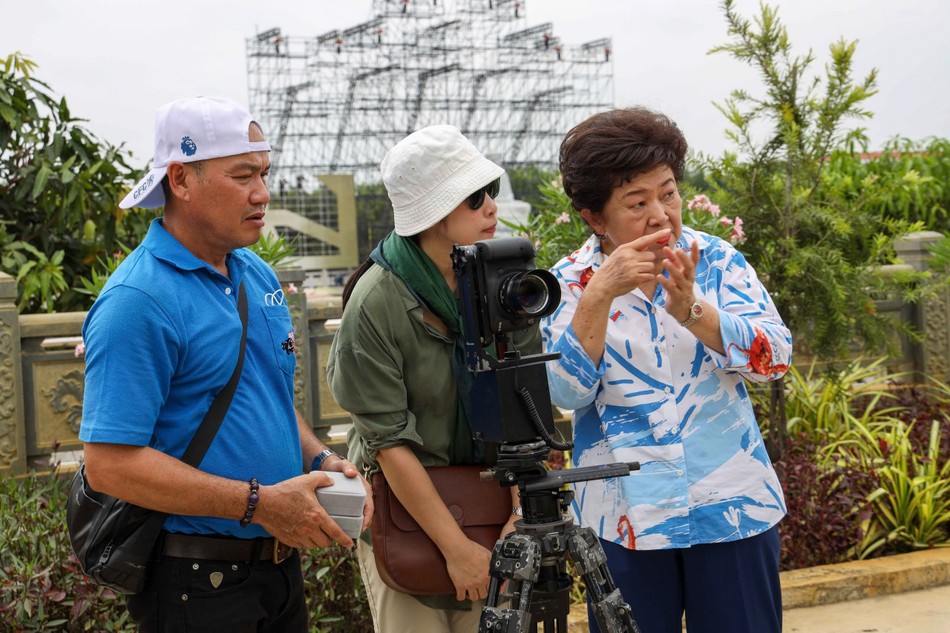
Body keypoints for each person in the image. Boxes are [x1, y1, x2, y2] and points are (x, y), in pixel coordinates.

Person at [79, 96, 372, 633]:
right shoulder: (137, 300)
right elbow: (109, 464)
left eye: (263, 173)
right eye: (242, 176)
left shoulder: (255, 274)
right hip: (196, 582)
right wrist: (259, 503)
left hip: (278, 570)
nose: (262, 193)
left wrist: (321, 461)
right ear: (181, 179)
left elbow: (266, 399)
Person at [541, 107, 792, 633]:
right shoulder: (566, 282)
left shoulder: (717, 260)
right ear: (593, 215)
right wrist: (598, 295)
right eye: (638, 202)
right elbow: (563, 393)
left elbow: (776, 360)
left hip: (733, 511)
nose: (661, 214)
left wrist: (694, 312)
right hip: (625, 521)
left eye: (669, 192)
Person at [327, 124, 534, 632]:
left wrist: (518, 519)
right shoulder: (376, 301)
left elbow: (523, 404)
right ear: (435, 213)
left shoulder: (506, 283)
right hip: (409, 516)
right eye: (474, 198)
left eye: (492, 192)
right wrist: (457, 548)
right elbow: (388, 442)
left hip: (497, 502)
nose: (491, 207)